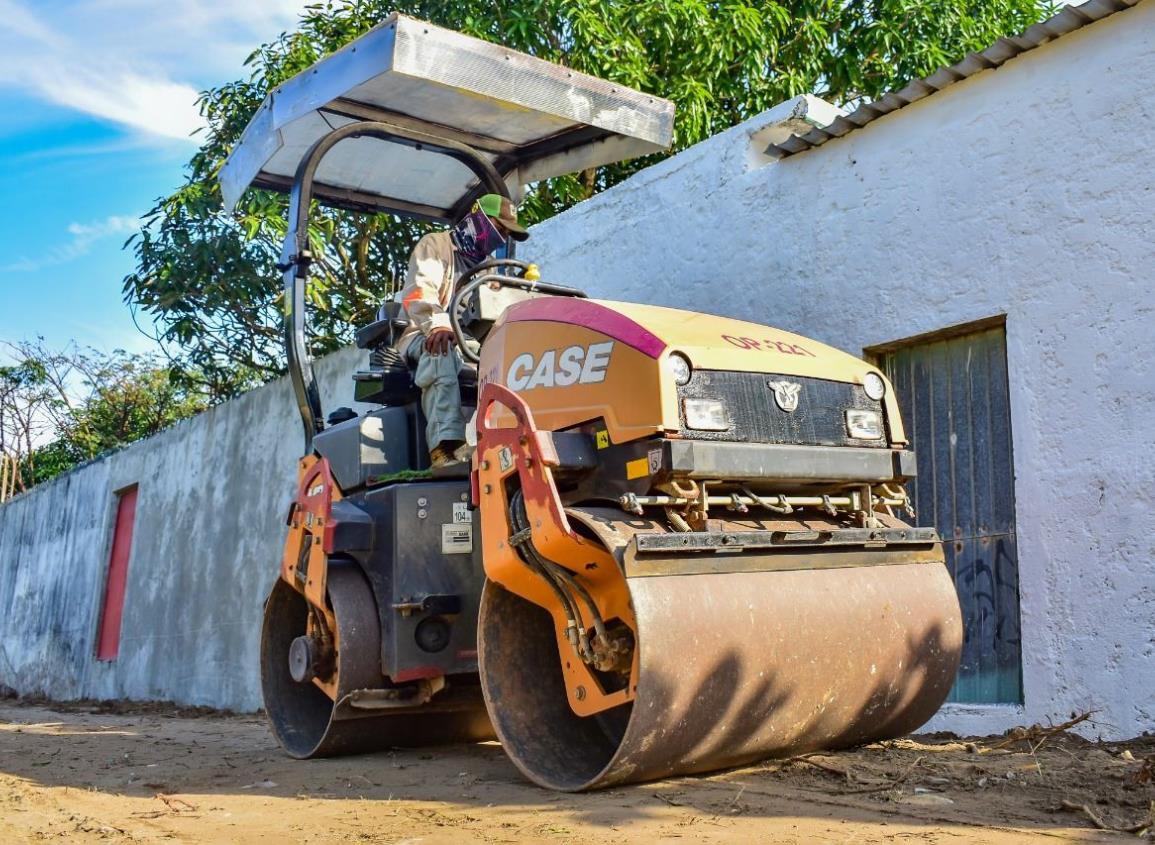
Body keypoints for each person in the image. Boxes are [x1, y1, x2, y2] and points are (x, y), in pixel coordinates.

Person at [394, 193, 529, 468]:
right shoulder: (435, 245)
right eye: (498, 228)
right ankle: (445, 448)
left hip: (467, 343)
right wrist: (438, 324)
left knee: (512, 359)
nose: (500, 237)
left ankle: (507, 439)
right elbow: (419, 291)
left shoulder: (487, 268)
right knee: (441, 348)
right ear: (478, 217)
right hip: (422, 334)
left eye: (505, 234)